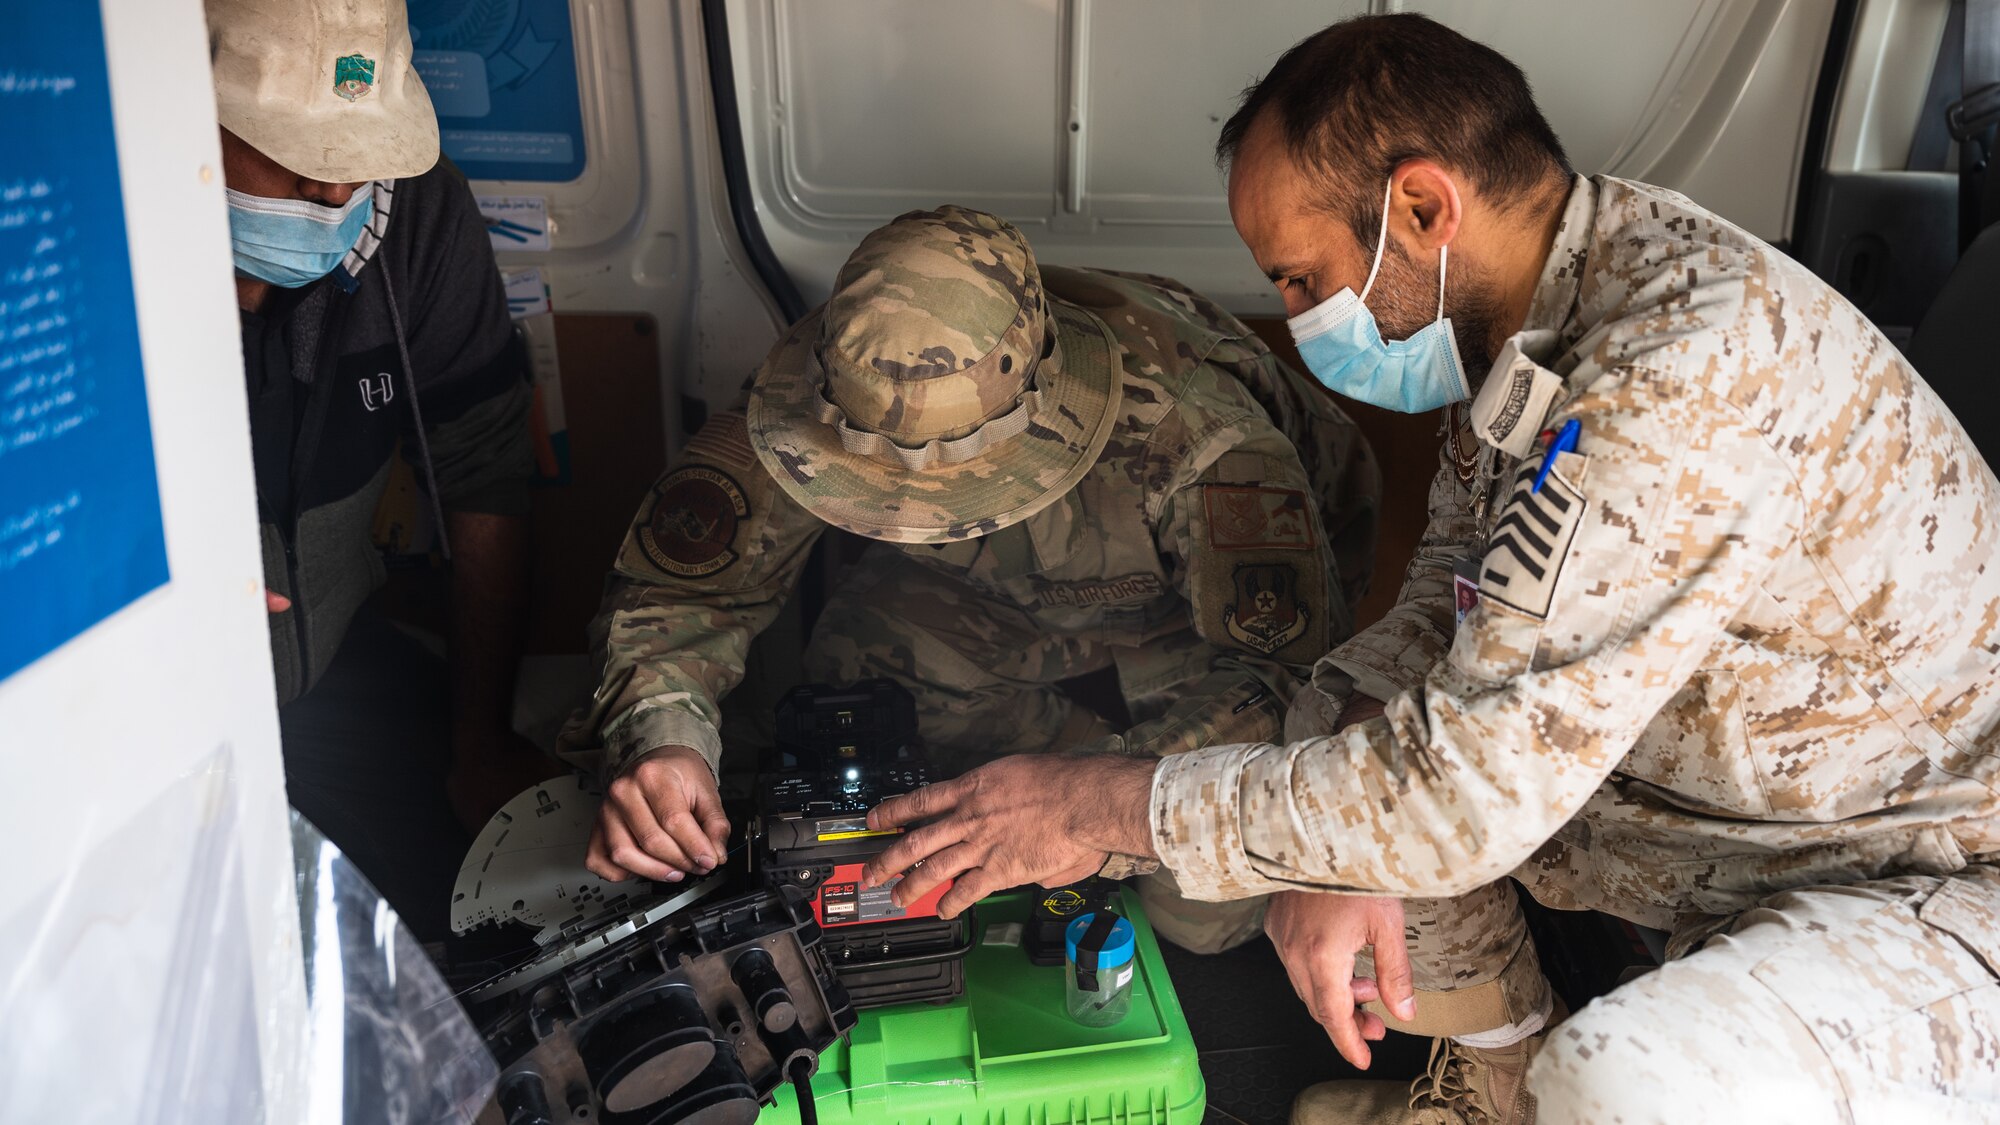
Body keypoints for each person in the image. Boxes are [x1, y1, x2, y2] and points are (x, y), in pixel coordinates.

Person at [859, 14, 2000, 1122]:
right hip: (1712, 813)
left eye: (1302, 278)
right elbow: (1445, 596)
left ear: (1418, 206)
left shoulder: (1679, 371)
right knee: (1332, 762)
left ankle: (1550, 1087)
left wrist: (1093, 807)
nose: (1297, 317)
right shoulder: (1533, 324)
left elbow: (1462, 796)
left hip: (1914, 869)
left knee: (1614, 1079)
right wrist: (1320, 819)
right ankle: (1499, 1091)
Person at [562, 204, 1379, 955]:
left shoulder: (1196, 435)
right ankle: (1027, 792)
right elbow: (682, 589)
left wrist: (1093, 804)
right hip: (998, 603)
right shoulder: (827, 384)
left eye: (962, 485)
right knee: (855, 671)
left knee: (1206, 914)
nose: (913, 512)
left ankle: (1057, 801)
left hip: (1190, 626)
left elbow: (1293, 678)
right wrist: (665, 738)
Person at [210, 0, 550, 939]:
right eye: (297, 157)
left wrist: (477, 738)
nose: (335, 195)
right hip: (160, 708)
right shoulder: (77, 246)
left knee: (477, 924)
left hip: (333, 667)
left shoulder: (416, 215)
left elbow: (483, 471)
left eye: (356, 159)